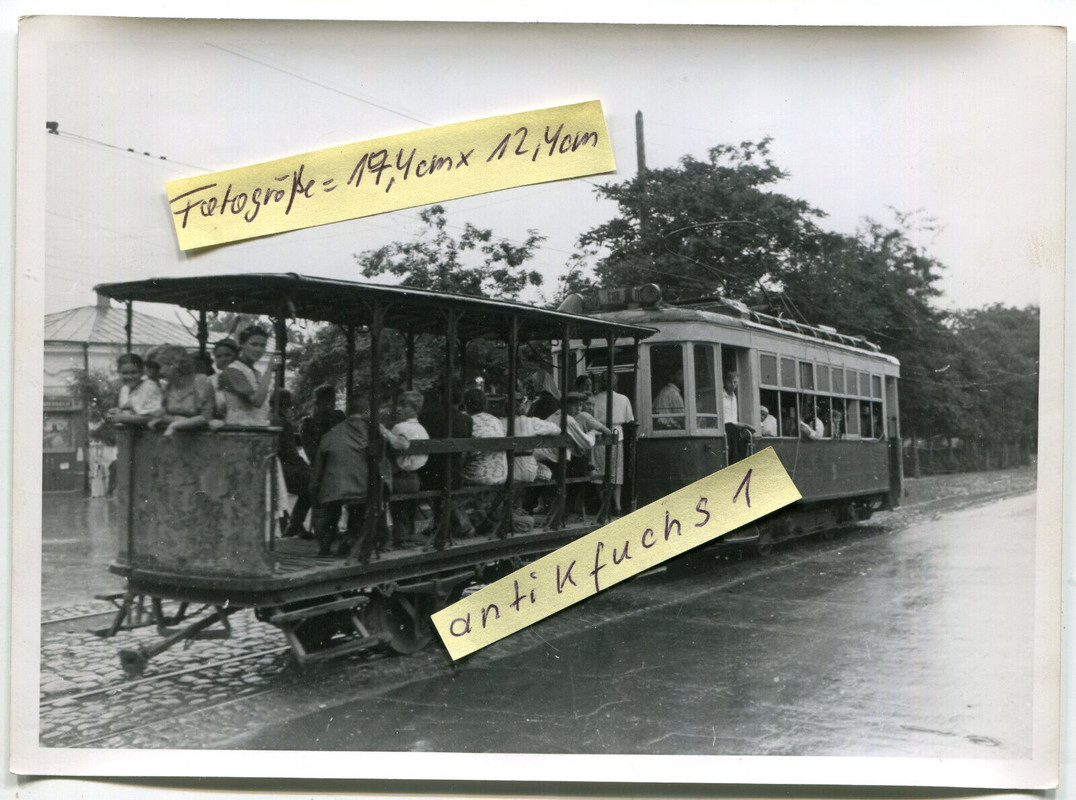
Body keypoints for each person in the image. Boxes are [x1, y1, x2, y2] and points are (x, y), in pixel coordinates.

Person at [309, 395, 370, 557]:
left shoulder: (330, 434)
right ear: (366, 412)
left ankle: (324, 545)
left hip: (333, 488)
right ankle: (351, 542)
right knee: (360, 510)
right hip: (360, 488)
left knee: (329, 510)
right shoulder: (370, 430)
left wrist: (315, 487)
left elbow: (318, 468)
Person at [386, 391, 429, 547]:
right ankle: (408, 533)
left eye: (403, 406)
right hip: (415, 479)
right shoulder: (422, 429)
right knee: (408, 507)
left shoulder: (398, 427)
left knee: (398, 508)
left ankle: (401, 536)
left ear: (413, 409)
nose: (399, 409)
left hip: (400, 478)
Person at [591, 372, 635, 516]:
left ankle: (605, 506)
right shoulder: (623, 399)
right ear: (616, 383)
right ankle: (617, 505)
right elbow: (629, 419)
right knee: (616, 472)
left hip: (599, 435)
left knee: (599, 471)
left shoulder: (594, 399)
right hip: (617, 435)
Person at [146, 345, 215, 437]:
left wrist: (175, 425)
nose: (159, 372)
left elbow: (207, 418)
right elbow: (164, 416)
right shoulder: (168, 386)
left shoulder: (201, 381)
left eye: (160, 367)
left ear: (174, 365)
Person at [217, 325, 277, 427]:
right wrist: (269, 370)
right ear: (242, 345)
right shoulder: (233, 370)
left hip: (256, 427)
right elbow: (257, 401)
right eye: (254, 344)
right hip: (239, 428)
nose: (258, 349)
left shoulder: (255, 372)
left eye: (262, 345)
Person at [272, 389, 313, 539]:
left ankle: (293, 525)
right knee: (312, 484)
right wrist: (307, 467)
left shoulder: (268, 417)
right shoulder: (284, 424)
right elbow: (291, 454)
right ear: (285, 405)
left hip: (273, 467)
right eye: (290, 406)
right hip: (282, 469)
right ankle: (295, 524)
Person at [461, 388, 507, 487]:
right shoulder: (496, 421)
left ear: (465, 405)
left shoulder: (467, 421)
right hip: (501, 475)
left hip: (478, 476)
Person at [107, 353, 163, 425]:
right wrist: (115, 412)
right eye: (124, 373)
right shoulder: (124, 389)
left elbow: (153, 417)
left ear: (142, 372)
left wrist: (121, 417)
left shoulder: (149, 386)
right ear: (118, 373)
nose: (129, 377)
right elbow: (125, 413)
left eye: (133, 372)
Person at [300, 384, 346, 461]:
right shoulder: (307, 425)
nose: (331, 405)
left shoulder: (339, 417)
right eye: (327, 402)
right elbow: (313, 456)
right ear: (316, 403)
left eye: (332, 401)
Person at [208, 338, 239, 423]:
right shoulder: (211, 381)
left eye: (227, 355)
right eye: (219, 356)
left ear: (236, 356)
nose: (223, 359)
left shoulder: (246, 377)